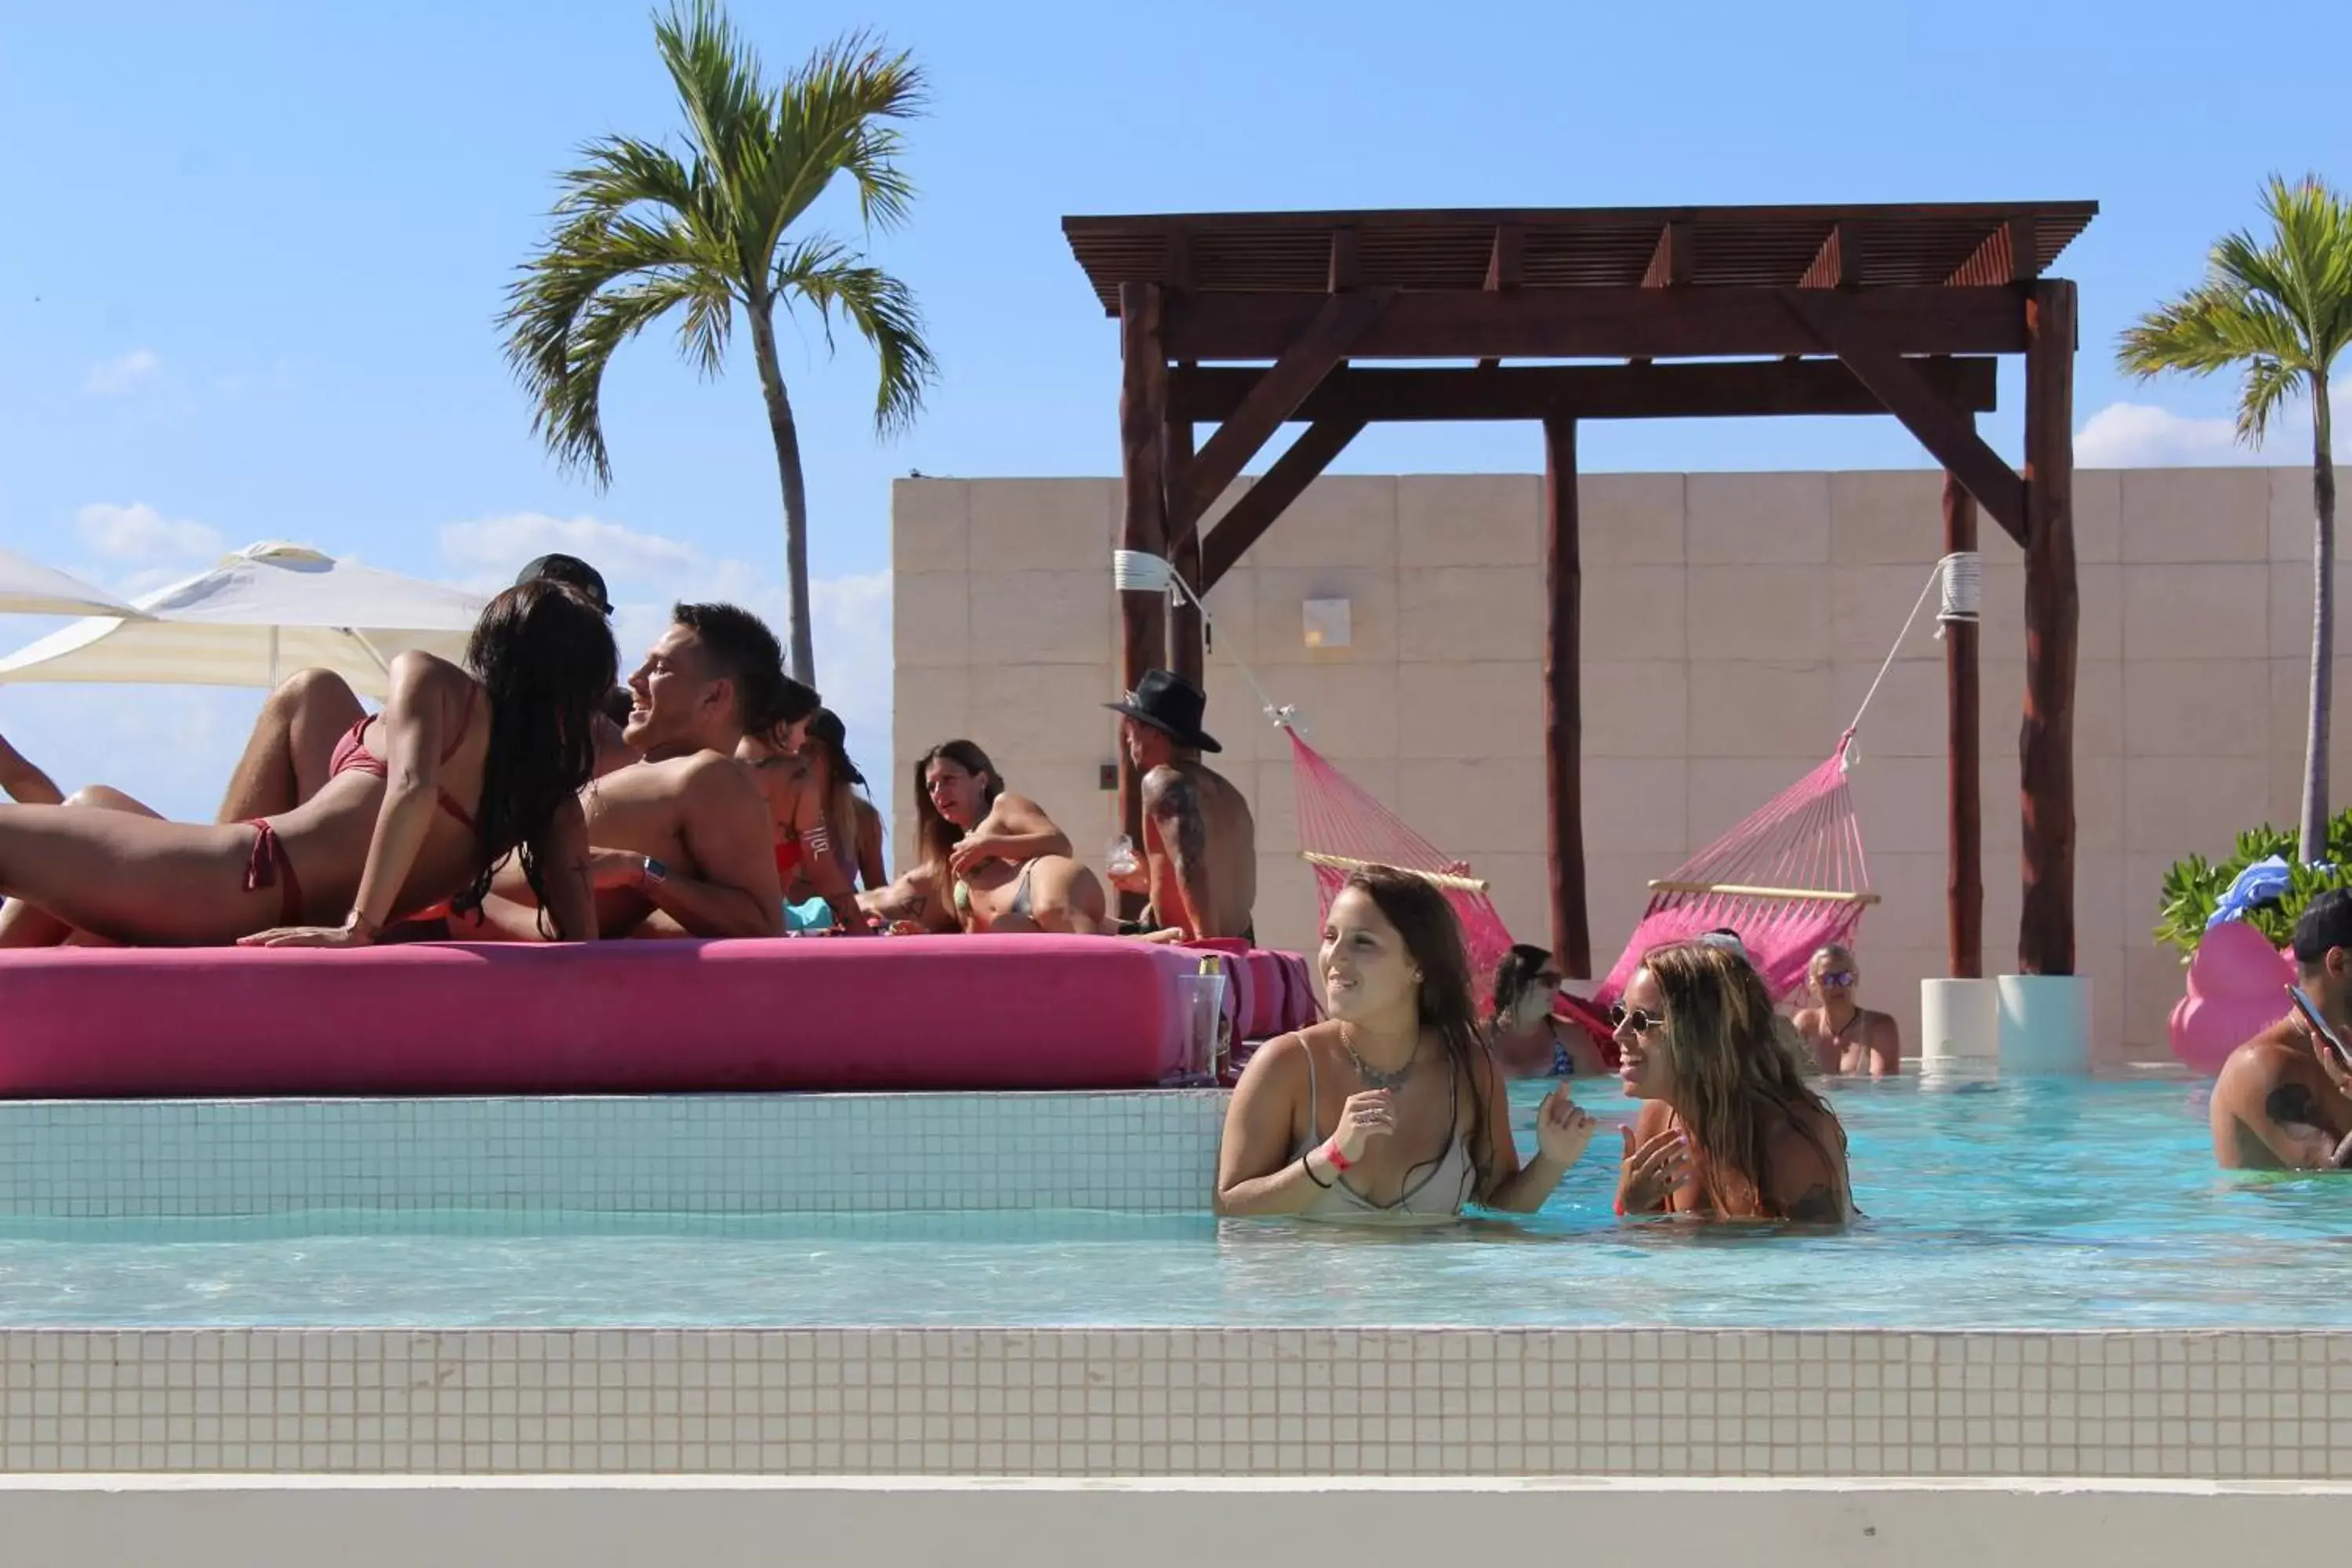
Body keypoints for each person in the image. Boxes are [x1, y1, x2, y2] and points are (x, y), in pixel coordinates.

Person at [0, 579, 612, 946]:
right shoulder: (547, 803)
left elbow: (413, 786)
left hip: (222, 877)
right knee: (93, 805)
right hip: (251, 906)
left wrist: (360, 928)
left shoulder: (434, 682)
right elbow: (580, 940)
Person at [1214, 864, 1599, 1223]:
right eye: (1331, 937)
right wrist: (1332, 1156)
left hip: (1438, 1296)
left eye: (1362, 942)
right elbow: (1231, 1207)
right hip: (1315, 1296)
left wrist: (1552, 1162)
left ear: (1418, 967)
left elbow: (1497, 1210)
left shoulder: (1468, 1071)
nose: (1335, 957)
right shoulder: (1288, 1065)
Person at [452, 602, 793, 941]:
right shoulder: (654, 773)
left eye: (660, 667)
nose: (635, 678)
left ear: (715, 696)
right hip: (456, 936)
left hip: (448, 941)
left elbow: (761, 928)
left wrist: (640, 872)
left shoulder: (710, 776)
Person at [1613, 939, 1854, 1224]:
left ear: (1701, 1033)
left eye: (1641, 1021)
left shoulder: (1790, 1147)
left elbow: (1825, 1262)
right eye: (1619, 1014)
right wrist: (1631, 1206)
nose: (1619, 1033)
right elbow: (1645, 1259)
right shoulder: (1659, 1119)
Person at [865, 739, 1109, 935]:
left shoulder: (1003, 807)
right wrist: (925, 935)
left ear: (981, 780)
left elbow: (1060, 844)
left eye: (948, 779)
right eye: (932, 786)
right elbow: (971, 932)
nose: (939, 793)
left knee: (1054, 912)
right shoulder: (952, 856)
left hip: (1041, 884)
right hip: (1014, 922)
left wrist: (989, 845)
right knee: (1007, 936)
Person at [1105, 669, 1257, 943]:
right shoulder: (1231, 795)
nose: (1127, 737)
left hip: (1194, 948)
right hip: (1242, 942)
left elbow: (1192, 865)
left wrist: (1209, 958)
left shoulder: (1164, 782)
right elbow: (1232, 887)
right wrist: (1152, 884)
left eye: (1131, 724)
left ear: (1153, 733)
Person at [2210, 891, 2352, 1170]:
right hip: (2290, 1212)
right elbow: (2332, 1174)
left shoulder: (2345, 1050)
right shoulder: (2261, 1065)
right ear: (2337, 964)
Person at [1486, 943, 1610, 1079]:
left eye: (1558, 980)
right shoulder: (1480, 1041)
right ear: (1517, 984)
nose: (1556, 989)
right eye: (1548, 981)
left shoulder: (1570, 1036)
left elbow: (1598, 1090)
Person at [1791, 944, 1904, 1076]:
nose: (1837, 986)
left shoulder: (1879, 1028)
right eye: (1827, 979)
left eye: (1844, 978)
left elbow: (1883, 1088)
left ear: (1855, 979)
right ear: (1813, 985)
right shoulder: (1806, 1025)